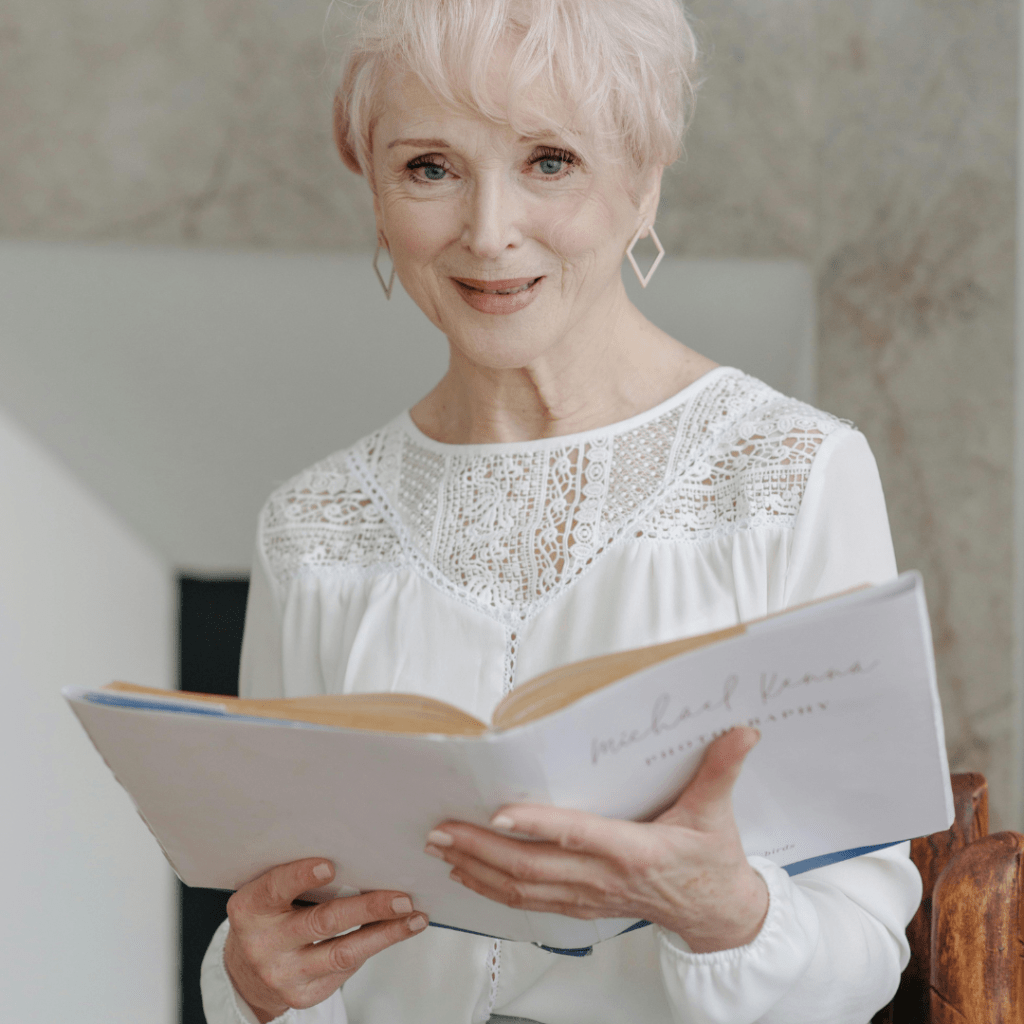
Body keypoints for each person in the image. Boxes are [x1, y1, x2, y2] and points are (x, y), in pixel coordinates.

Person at [200, 1, 922, 1021]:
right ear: (373, 186)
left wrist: (724, 911)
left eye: (550, 161)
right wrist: (253, 980)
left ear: (645, 178)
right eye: (430, 168)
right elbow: (287, 916)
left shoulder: (794, 475)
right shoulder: (311, 526)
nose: (489, 232)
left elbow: (862, 953)